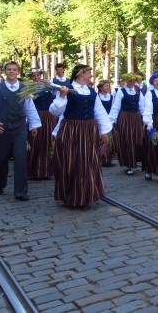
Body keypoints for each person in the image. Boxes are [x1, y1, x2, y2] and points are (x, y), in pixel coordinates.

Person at [50, 64, 112, 209]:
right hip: (71, 130)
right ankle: (70, 196)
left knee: (88, 162)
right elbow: (55, 111)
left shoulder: (91, 91)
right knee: (71, 162)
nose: (91, 75)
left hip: (89, 130)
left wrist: (104, 131)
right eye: (89, 72)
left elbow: (99, 111)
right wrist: (62, 96)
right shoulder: (67, 89)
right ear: (80, 74)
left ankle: (85, 196)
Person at [0, 61, 41, 200]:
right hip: (3, 128)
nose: (11, 71)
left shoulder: (24, 88)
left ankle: (21, 192)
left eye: (14, 69)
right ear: (5, 71)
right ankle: (0, 184)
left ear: (18, 71)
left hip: (20, 128)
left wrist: (33, 125)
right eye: (9, 69)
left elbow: (29, 108)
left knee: (21, 158)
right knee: (1, 159)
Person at [109, 73, 146, 176]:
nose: (131, 82)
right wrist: (112, 120)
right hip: (125, 118)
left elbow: (142, 106)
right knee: (127, 140)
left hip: (136, 118)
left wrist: (146, 119)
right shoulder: (121, 91)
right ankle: (129, 164)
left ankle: (136, 160)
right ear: (126, 81)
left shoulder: (138, 91)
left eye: (133, 81)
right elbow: (116, 106)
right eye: (130, 80)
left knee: (137, 140)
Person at [26, 68, 56, 180]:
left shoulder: (48, 86)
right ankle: (34, 170)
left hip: (49, 115)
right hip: (36, 114)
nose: (36, 78)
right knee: (35, 141)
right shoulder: (28, 88)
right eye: (34, 76)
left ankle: (47, 170)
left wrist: (51, 84)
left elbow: (57, 96)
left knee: (48, 140)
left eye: (38, 75)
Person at [96, 80, 116, 166]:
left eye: (109, 86)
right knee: (100, 140)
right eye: (106, 86)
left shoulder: (111, 96)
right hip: (100, 121)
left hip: (109, 120)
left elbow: (114, 108)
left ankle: (108, 158)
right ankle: (100, 158)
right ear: (101, 88)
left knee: (110, 140)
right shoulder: (97, 97)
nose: (109, 87)